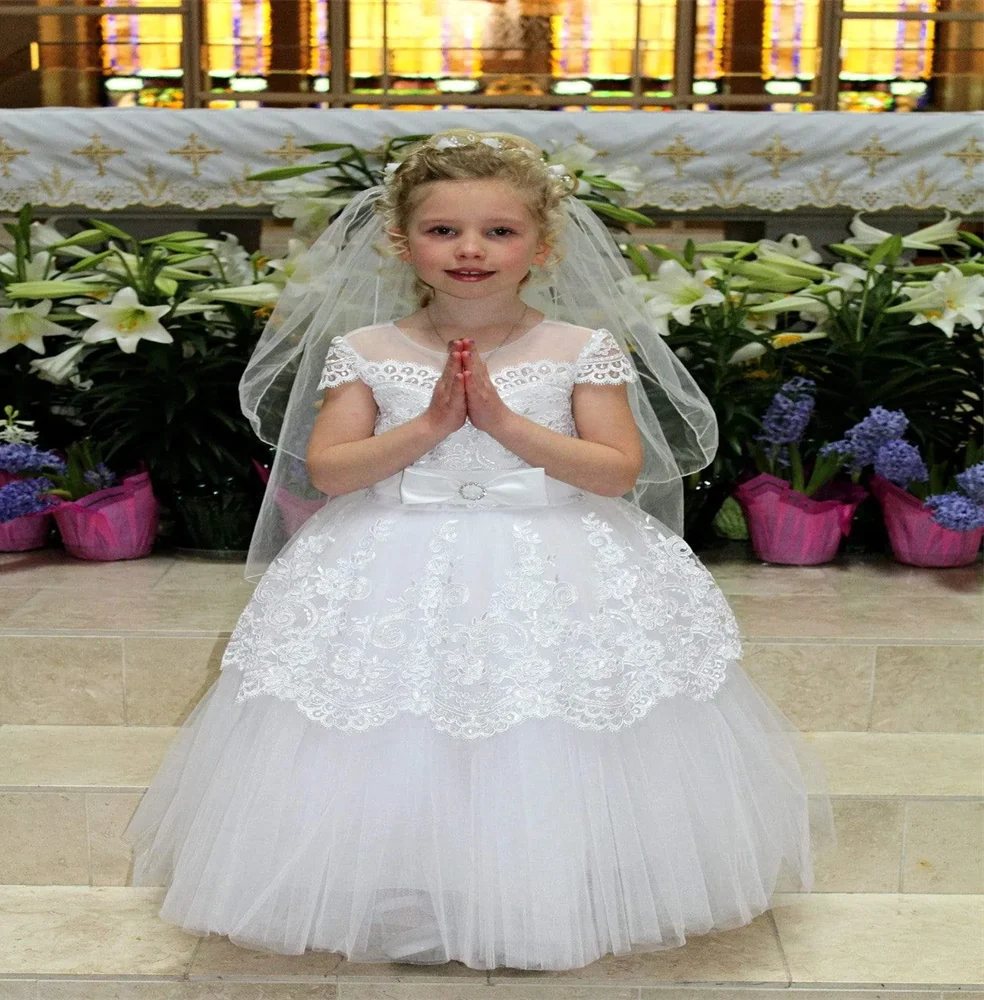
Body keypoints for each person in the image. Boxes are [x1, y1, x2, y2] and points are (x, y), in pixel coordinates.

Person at [125, 128, 835, 971]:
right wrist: (430, 425)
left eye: (498, 231)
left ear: (544, 243)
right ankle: (404, 889)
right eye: (443, 230)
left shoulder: (580, 348)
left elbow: (615, 471)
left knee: (547, 729)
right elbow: (330, 471)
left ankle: (551, 889)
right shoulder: (368, 351)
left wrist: (502, 422)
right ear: (401, 241)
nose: (470, 250)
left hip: (554, 562)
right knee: (393, 732)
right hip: (394, 563)